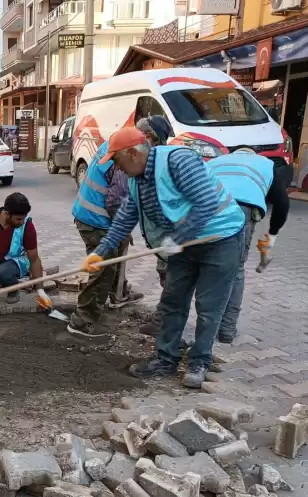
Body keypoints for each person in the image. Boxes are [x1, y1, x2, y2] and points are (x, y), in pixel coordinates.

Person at [81, 127, 245, 388]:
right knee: (173, 300)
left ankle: (199, 362)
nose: (116, 168)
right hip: (184, 242)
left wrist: (175, 240)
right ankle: (166, 359)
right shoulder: (137, 179)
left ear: (133, 153)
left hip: (219, 239)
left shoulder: (179, 161)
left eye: (116, 160)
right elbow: (125, 217)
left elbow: (205, 203)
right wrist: (100, 252)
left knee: (208, 306)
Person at [68, 115, 173, 338]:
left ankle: (118, 294)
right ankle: (82, 320)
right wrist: (121, 231)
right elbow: (117, 201)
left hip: (92, 215)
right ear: (149, 138)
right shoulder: (126, 157)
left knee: (113, 257)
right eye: (158, 143)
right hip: (95, 219)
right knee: (104, 268)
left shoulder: (117, 143)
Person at [211, 154, 292, 343]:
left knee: (200, 265)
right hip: (241, 209)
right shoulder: (266, 165)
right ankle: (226, 331)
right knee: (236, 269)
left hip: (204, 208)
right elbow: (282, 203)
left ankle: (176, 325)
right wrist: (271, 236)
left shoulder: (217, 161)